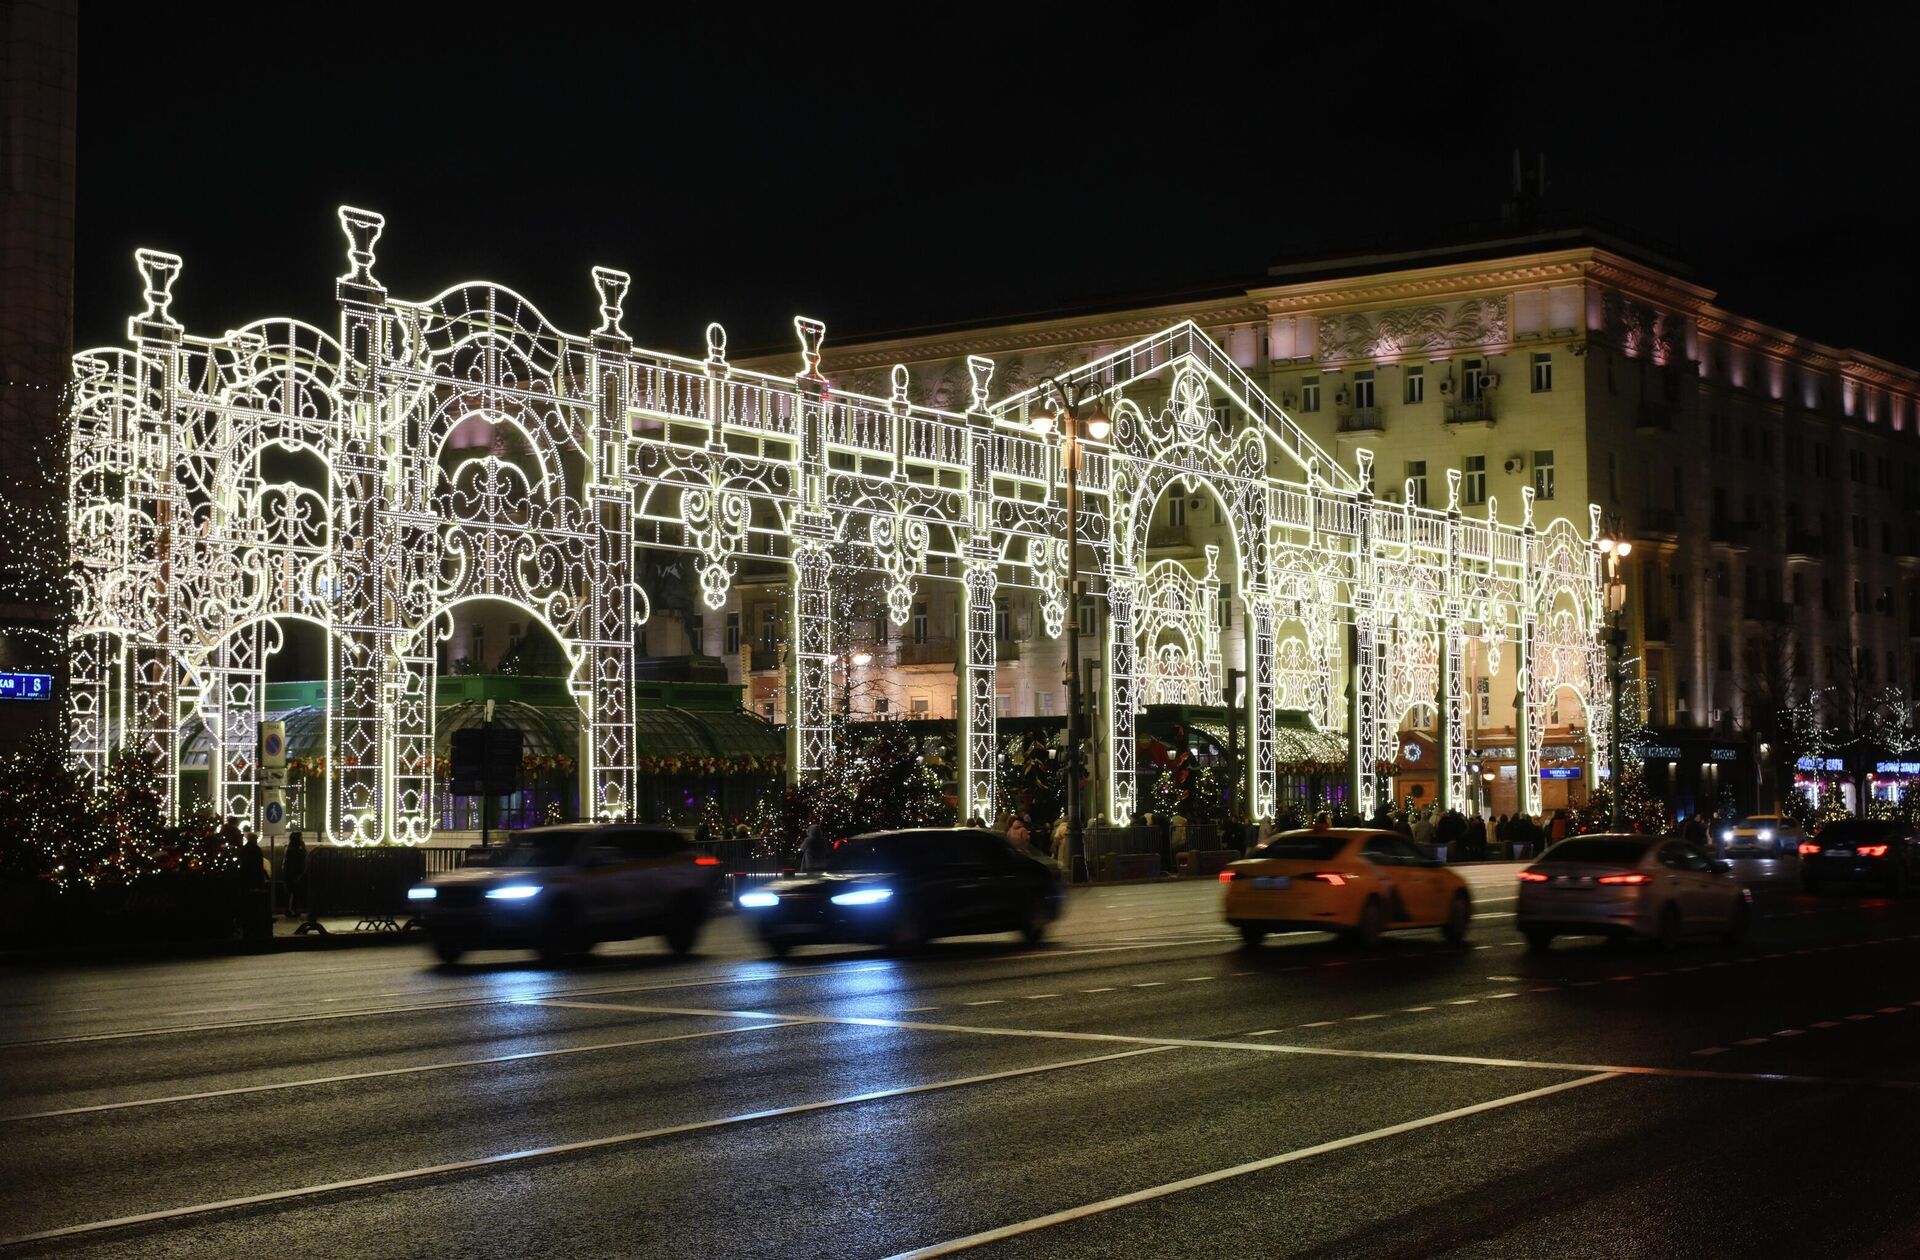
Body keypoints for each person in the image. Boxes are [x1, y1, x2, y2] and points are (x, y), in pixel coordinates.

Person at [283, 832, 308, 920]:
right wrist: (304, 848)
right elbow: (304, 857)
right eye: (301, 838)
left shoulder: (289, 849)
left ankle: (291, 910)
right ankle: (291, 910)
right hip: (294, 875)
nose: (302, 839)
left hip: (290, 874)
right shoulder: (295, 850)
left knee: (291, 893)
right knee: (293, 893)